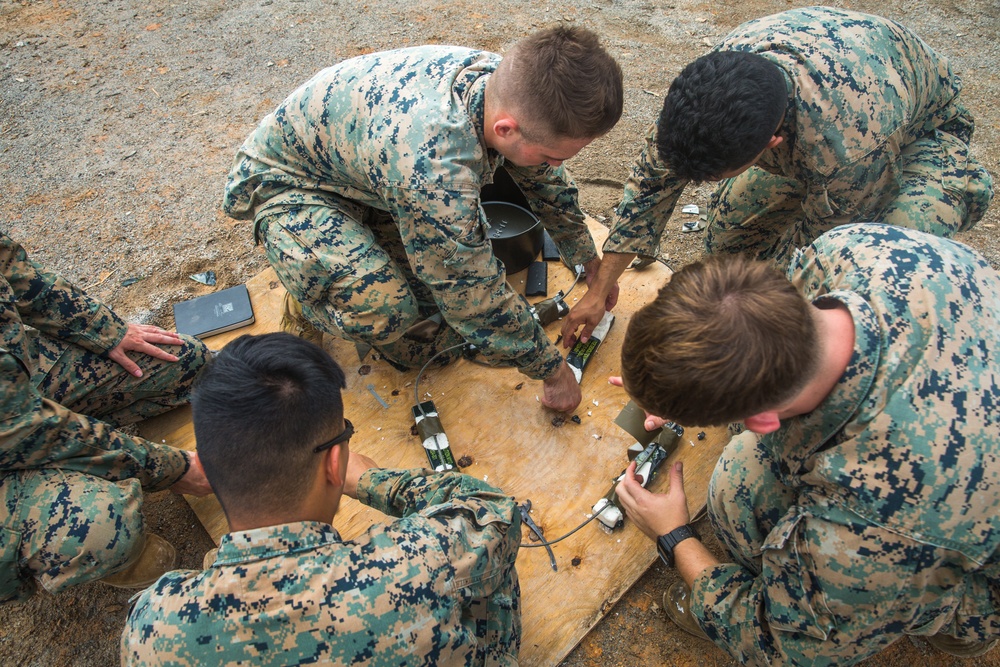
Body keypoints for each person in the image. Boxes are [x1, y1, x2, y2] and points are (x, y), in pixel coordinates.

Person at [612, 223, 1000, 665]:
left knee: (740, 483)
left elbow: (783, 650)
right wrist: (673, 384)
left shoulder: (878, 514)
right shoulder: (852, 249)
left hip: (966, 551)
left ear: (761, 420)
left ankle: (964, 631)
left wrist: (674, 536)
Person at [223, 26, 623, 413]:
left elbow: (545, 181)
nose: (555, 166)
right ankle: (308, 292)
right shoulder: (434, 171)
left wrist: (590, 264)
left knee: (432, 341)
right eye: (552, 155)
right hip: (291, 187)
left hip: (363, 174)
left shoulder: (517, 88)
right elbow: (471, 294)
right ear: (505, 129)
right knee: (387, 311)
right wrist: (552, 371)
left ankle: (344, 257)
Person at [562, 6, 994, 348]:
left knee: (874, 268)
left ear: (771, 145)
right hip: (834, 108)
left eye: (717, 177)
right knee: (730, 241)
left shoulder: (850, 151)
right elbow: (650, 188)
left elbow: (820, 256)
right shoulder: (714, 83)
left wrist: (745, 343)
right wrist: (600, 290)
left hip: (920, 139)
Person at [121, 332, 523, 666]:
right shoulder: (421, 563)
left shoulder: (151, 626)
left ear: (204, 468)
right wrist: (370, 479)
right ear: (335, 463)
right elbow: (495, 509)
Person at [0, 233, 212, 602]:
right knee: (103, 526)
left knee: (183, 360)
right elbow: (32, 430)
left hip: (15, 392)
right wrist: (173, 467)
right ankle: (122, 561)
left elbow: (15, 273)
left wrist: (106, 331)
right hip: (18, 423)